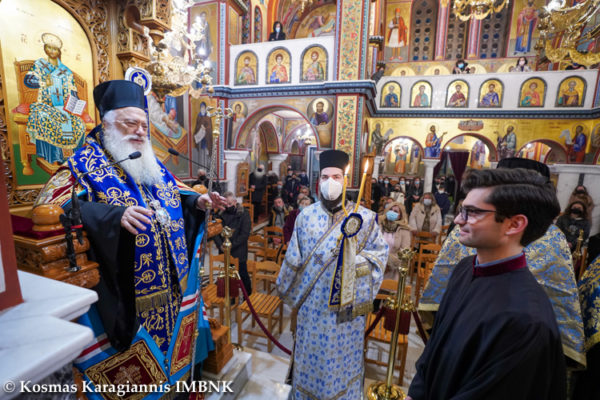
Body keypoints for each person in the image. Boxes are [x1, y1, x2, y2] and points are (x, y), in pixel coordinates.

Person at [35, 80, 226, 394]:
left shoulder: (151, 162)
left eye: (144, 125)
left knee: (176, 376)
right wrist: (112, 216)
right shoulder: (81, 167)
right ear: (106, 123)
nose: (140, 131)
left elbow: (176, 194)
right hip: (128, 303)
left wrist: (198, 201)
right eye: (130, 123)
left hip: (172, 293)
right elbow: (47, 208)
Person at [408, 168, 567, 400]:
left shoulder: (526, 320)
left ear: (514, 224)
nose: (459, 220)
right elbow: (435, 345)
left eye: (472, 212)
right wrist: (415, 394)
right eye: (462, 210)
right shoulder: (464, 269)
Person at [276, 149, 388, 399]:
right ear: (319, 180)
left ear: (345, 180)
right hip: (312, 310)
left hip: (345, 315)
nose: (330, 182)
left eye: (336, 177)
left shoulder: (365, 219)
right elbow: (293, 259)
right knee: (309, 361)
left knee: (342, 365)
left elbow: (379, 258)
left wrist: (352, 261)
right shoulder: (305, 217)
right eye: (325, 177)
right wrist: (286, 290)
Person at [26, 33, 86, 165]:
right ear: (45, 48)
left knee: (79, 124)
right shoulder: (40, 65)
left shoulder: (66, 71)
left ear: (59, 51)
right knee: (42, 117)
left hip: (64, 108)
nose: (52, 51)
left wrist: (75, 104)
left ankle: (73, 159)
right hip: (45, 105)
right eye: (49, 48)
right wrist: (43, 82)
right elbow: (28, 81)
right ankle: (52, 157)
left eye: (55, 49)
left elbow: (73, 91)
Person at [213, 192, 252, 296]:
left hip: (238, 250)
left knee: (242, 275)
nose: (227, 206)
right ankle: (231, 297)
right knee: (228, 276)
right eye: (225, 204)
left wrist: (229, 245)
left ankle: (247, 296)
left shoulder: (243, 214)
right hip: (224, 250)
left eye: (230, 204)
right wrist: (220, 245)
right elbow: (215, 231)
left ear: (235, 202)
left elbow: (244, 234)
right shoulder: (220, 214)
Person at [380, 202, 411, 280]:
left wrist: (389, 263)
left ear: (400, 215)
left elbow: (404, 252)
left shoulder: (404, 230)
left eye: (395, 211)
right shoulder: (379, 225)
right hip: (377, 262)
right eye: (390, 210)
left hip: (392, 267)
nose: (392, 212)